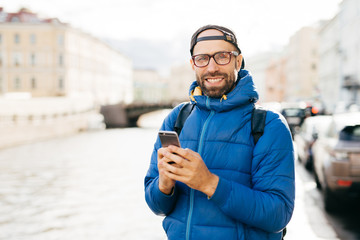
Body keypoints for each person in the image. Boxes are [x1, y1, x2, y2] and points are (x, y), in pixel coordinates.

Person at [144, 25, 295, 240]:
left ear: (238, 61)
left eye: (222, 56)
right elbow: (156, 206)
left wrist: (209, 183)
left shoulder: (268, 125)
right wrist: (165, 183)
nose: (212, 67)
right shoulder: (177, 119)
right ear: (193, 64)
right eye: (202, 58)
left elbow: (278, 215)